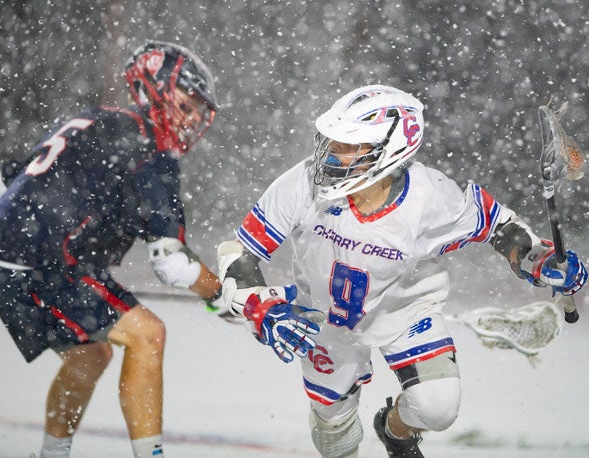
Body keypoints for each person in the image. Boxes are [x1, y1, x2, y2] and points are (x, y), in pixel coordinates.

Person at [216, 84, 587, 457]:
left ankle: (394, 431)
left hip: (405, 311)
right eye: (331, 141)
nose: (330, 154)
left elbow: (498, 227)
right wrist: (263, 308)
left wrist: (539, 259)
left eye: (348, 146)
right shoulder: (302, 183)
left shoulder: (431, 197)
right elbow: (240, 252)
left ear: (390, 151)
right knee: (335, 439)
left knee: (437, 407)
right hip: (325, 316)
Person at [0, 40, 225, 458]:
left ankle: (52, 454)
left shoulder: (93, 119)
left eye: (198, 110)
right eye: (188, 102)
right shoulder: (150, 149)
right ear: (153, 88)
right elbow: (171, 264)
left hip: (3, 254)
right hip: (38, 261)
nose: (193, 118)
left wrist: (30, 235)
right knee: (149, 335)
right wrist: (222, 295)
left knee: (91, 354)